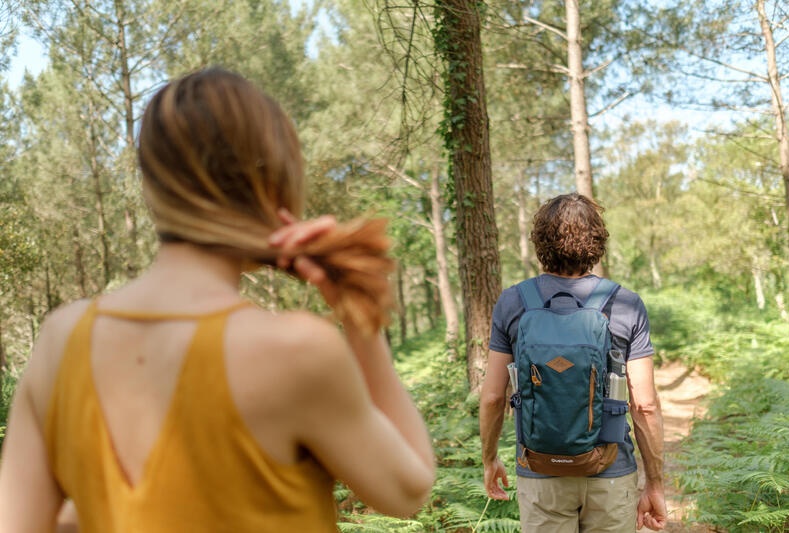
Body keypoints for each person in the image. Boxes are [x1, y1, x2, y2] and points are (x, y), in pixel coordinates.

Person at [0, 68, 435, 532]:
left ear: (153, 187)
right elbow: (408, 491)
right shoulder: (294, 352)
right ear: (273, 185)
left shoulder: (60, 340)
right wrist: (363, 323)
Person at [479, 193, 667, 532]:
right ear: (597, 241)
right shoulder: (625, 303)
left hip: (540, 472)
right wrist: (654, 482)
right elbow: (646, 405)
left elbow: (493, 397)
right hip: (611, 471)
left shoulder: (513, 302)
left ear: (540, 242)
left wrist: (489, 458)